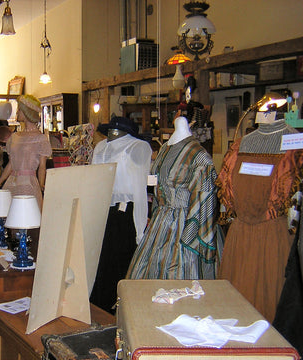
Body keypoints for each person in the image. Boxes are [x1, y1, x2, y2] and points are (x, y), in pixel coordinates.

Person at [216, 116, 303, 322]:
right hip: (242, 240)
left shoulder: (297, 144)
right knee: (235, 312)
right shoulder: (239, 146)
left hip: (273, 240)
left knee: (270, 309)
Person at [127, 116, 222, 280]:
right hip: (160, 221)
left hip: (185, 223)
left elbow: (206, 200)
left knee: (179, 273)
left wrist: (192, 237)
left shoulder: (200, 157)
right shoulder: (164, 149)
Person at [90, 116, 152, 314]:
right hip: (104, 211)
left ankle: (119, 313)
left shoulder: (138, 148)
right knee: (102, 263)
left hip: (127, 214)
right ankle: (101, 311)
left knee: (120, 264)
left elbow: (140, 191)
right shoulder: (100, 147)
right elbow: (95, 183)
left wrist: (140, 228)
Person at [0, 94, 52, 210]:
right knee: (9, 217)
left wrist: (41, 184)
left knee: (25, 217)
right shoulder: (15, 137)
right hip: (11, 183)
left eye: (20, 109)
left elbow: (42, 166)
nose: (17, 112)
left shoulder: (40, 139)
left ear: (27, 112)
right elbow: (11, 164)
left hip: (28, 184)